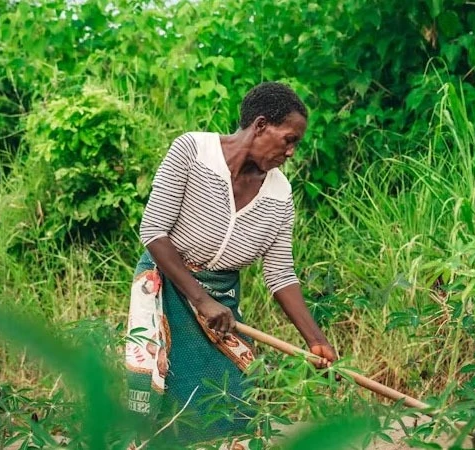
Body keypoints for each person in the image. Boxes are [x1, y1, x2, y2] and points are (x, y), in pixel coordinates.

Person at [124, 81, 338, 448]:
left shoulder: (279, 194)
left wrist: (316, 340)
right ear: (259, 125)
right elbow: (154, 230)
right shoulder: (192, 151)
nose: (291, 152)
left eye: (295, 144)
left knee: (229, 399)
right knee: (166, 401)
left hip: (221, 308)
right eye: (288, 139)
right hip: (168, 292)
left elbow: (281, 274)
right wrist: (200, 300)